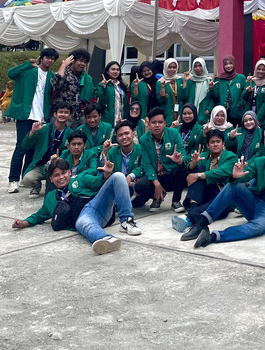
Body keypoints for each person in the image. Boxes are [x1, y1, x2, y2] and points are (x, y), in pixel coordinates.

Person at [189, 132, 265, 248]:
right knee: (233, 186)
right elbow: (247, 174)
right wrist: (236, 176)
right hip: (254, 202)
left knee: (257, 228)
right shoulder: (260, 162)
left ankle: (213, 237)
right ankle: (202, 223)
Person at [11, 157, 141, 254]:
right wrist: (23, 223)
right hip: (82, 219)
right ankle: (106, 240)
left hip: (97, 207)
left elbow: (97, 183)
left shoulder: (81, 178)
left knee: (118, 176)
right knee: (83, 222)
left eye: (63, 173)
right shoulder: (50, 197)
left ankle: (126, 221)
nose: (61, 177)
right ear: (50, 179)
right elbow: (38, 216)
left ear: (69, 172)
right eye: (56, 175)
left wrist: (106, 175)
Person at [6, 47, 59, 193]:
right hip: (25, 116)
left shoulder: (51, 77)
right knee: (21, 147)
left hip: (41, 117)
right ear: (41, 57)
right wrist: (27, 64)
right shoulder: (28, 71)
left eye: (52, 58)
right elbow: (10, 73)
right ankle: (13, 179)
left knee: (33, 150)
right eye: (47, 57)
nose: (50, 60)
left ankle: (25, 177)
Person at [180, 129, 238, 239]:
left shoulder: (231, 157)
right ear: (208, 145)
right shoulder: (204, 156)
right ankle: (194, 211)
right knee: (195, 171)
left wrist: (198, 175)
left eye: (218, 141)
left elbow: (222, 172)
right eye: (212, 142)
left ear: (223, 143)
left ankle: (191, 216)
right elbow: (189, 172)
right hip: (205, 195)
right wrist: (193, 164)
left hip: (223, 197)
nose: (215, 144)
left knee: (197, 175)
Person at [133, 107, 187, 212]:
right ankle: (157, 197)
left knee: (181, 169)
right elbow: (146, 163)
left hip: (170, 174)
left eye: (160, 122)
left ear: (165, 123)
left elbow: (183, 154)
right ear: (149, 123)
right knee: (139, 185)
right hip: (155, 175)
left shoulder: (173, 133)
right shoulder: (144, 139)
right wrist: (156, 183)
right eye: (154, 122)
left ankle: (176, 201)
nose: (157, 125)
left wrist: (179, 160)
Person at [20, 103, 74, 198]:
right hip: (41, 165)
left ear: (69, 116)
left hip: (57, 166)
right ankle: (36, 186)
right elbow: (25, 145)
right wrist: (32, 132)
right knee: (27, 179)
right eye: (60, 112)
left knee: (51, 194)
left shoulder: (70, 133)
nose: (63, 114)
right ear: (55, 114)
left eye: (66, 112)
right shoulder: (44, 128)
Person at [50, 49, 95, 125]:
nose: (83, 64)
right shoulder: (64, 72)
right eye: (80, 61)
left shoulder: (85, 77)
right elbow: (56, 84)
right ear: (72, 61)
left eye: (85, 62)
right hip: (62, 115)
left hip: (78, 115)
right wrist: (64, 65)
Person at [208, 54, 247, 125]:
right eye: (226, 64)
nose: (228, 66)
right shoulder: (219, 79)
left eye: (230, 63)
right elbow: (215, 97)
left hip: (236, 112)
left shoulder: (241, 78)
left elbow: (245, 94)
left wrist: (240, 104)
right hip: (222, 113)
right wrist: (211, 88)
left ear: (234, 64)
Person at [243, 59, 265, 126]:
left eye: (263, 69)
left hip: (261, 117)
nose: (261, 71)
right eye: (259, 69)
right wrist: (247, 92)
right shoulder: (251, 81)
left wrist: (258, 119)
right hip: (249, 113)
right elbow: (244, 97)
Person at [97, 61, 128, 127]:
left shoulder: (121, 86)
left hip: (121, 119)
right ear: (107, 71)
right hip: (108, 119)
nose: (115, 71)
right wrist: (104, 88)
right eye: (113, 69)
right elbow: (102, 102)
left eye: (117, 70)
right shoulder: (101, 85)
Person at [156, 57, 182, 125]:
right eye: (169, 67)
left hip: (179, 112)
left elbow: (185, 95)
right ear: (165, 67)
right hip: (167, 113)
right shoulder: (160, 82)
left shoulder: (180, 80)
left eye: (174, 67)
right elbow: (160, 101)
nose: (172, 69)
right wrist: (163, 88)